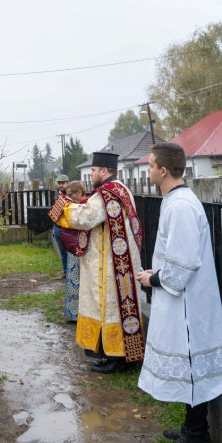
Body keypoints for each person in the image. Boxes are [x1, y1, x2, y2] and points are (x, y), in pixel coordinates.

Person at [136, 143, 222, 443]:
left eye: (151, 166)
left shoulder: (180, 206)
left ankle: (196, 437)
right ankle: (192, 427)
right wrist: (157, 272)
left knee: (190, 362)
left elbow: (185, 262)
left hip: (188, 305)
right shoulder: (176, 200)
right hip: (185, 300)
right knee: (190, 362)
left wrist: (154, 279)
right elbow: (176, 253)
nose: (149, 170)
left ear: (163, 171)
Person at [54, 151, 145, 374]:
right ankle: (127, 355)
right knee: (120, 309)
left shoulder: (106, 194)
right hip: (122, 261)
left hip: (109, 265)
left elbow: (84, 218)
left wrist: (62, 205)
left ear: (104, 171)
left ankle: (115, 358)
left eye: (93, 170)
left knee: (109, 308)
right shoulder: (122, 189)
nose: (91, 174)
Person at [60, 181, 87, 322]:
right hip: (72, 248)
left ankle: (82, 313)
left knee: (83, 282)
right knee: (73, 280)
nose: (68, 197)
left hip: (83, 249)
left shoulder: (86, 207)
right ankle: (72, 313)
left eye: (70, 194)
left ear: (79, 193)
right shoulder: (72, 206)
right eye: (67, 194)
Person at [51, 174, 70, 280]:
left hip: (67, 228)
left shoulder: (71, 194)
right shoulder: (56, 194)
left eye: (63, 183)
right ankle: (65, 272)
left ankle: (72, 274)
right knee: (62, 251)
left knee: (69, 252)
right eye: (59, 183)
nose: (61, 185)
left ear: (68, 183)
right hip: (57, 227)